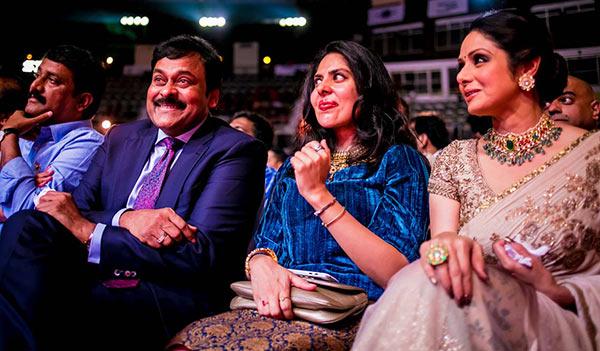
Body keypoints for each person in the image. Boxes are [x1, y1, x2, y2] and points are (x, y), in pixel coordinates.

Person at [353, 9, 600, 350]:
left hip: (556, 320)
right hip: (461, 312)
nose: (462, 76)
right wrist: (440, 250)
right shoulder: (454, 159)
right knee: (425, 283)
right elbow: (440, 250)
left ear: (528, 67)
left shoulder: (592, 154)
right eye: (460, 65)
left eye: (478, 60)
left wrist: (559, 290)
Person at [0, 34, 266, 351]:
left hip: (167, 289)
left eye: (183, 81)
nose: (166, 91)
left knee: (57, 300)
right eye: (159, 80)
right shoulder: (120, 137)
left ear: (212, 97)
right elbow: (74, 210)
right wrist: (126, 218)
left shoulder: (235, 150)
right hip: (96, 270)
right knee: (28, 224)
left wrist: (90, 231)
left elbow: (202, 253)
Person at [168, 40, 430, 350]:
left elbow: (396, 272)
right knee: (186, 341)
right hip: (283, 305)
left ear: (367, 90)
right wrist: (263, 265)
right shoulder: (294, 166)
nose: (322, 89)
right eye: (318, 80)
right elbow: (266, 245)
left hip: (354, 312)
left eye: (338, 77)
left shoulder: (398, 160)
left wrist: (319, 195)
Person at [0, 45, 105, 228]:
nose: (34, 86)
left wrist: (9, 136)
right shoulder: (24, 133)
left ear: (82, 101)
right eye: (37, 76)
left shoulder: (89, 145)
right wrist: (27, 182)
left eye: (52, 81)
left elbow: (25, 216)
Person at [229, 110, 278, 202]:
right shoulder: (209, 172)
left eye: (238, 129)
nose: (227, 133)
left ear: (258, 144)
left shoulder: (276, 183)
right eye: (228, 128)